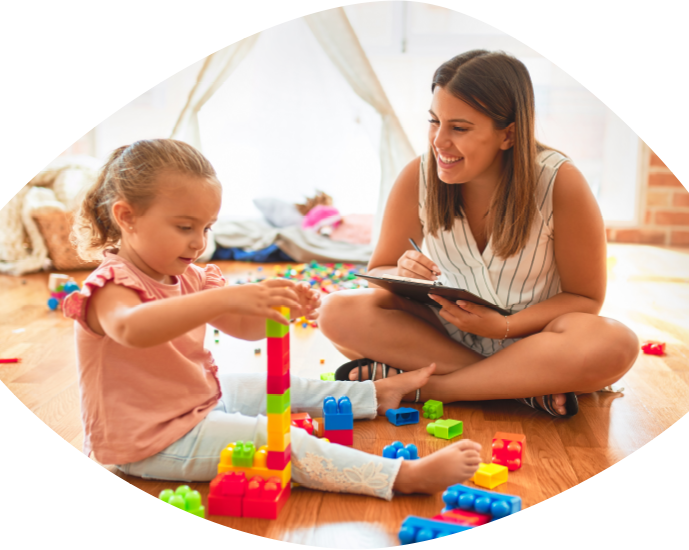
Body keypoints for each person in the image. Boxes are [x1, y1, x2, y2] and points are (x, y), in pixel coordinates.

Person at [63, 138, 482, 500]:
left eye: (207, 227)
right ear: (127, 217)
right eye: (185, 226)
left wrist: (279, 312)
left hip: (191, 406)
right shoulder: (109, 286)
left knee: (259, 385)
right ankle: (400, 477)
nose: (198, 242)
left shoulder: (188, 276)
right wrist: (226, 297)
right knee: (280, 440)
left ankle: (374, 395)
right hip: (147, 443)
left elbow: (242, 328)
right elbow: (131, 328)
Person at [319, 50, 640, 418]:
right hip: (443, 337)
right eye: (434, 121)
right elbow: (380, 273)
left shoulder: (560, 182)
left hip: (540, 344)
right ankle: (522, 388)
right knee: (336, 311)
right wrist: (401, 271)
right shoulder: (417, 176)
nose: (439, 141)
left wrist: (505, 326)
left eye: (459, 128)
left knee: (615, 343)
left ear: (509, 134)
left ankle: (431, 388)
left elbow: (585, 297)